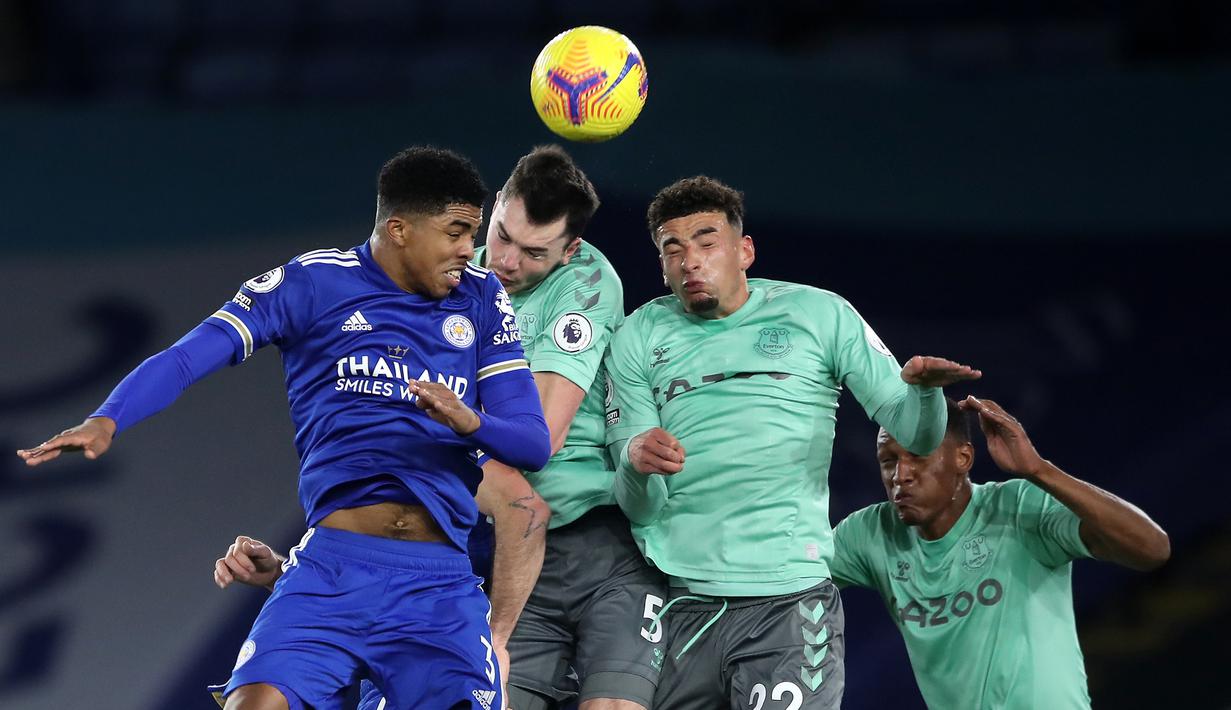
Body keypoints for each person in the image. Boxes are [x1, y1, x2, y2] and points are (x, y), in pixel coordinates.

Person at [18, 146, 551, 710]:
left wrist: (470, 421)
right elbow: (191, 354)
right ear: (399, 229)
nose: (469, 250)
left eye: (473, 233)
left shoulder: (480, 297)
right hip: (332, 572)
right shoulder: (313, 283)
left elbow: (532, 442)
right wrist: (108, 418)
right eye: (456, 233)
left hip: (438, 587)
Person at [216, 145, 667, 710]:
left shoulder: (581, 283)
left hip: (563, 538)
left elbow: (538, 448)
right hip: (469, 548)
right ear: (493, 208)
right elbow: (386, 515)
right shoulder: (445, 276)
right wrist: (292, 572)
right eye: (500, 236)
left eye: (533, 252)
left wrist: (494, 639)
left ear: (569, 250)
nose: (506, 261)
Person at [603, 176, 981, 709]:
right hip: (679, 600)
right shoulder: (638, 336)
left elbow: (916, 433)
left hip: (786, 603)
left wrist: (924, 394)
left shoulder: (821, 315)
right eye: (673, 249)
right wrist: (634, 464)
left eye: (707, 243)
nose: (690, 261)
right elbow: (639, 507)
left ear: (744, 251)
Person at [830, 395, 1170, 708]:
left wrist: (1038, 469)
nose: (900, 475)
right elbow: (796, 576)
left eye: (918, 456)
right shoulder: (872, 533)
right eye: (888, 460)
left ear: (962, 457)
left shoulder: (1019, 508)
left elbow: (1152, 548)